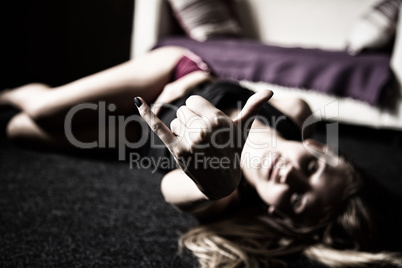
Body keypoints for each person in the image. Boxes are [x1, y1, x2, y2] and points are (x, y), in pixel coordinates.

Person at [1, 46, 401, 267]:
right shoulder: (294, 113)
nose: (289, 175)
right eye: (310, 168)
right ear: (314, 148)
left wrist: (213, 183)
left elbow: (172, 188)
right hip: (172, 79)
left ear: (279, 214)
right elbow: (230, 88)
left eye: (296, 198)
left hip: (141, 132)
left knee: (19, 131)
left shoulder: (229, 194)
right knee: (41, 110)